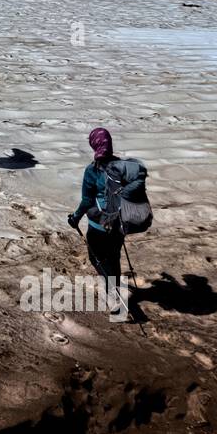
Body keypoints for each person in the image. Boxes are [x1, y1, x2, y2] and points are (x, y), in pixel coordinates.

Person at [68, 127, 137, 319]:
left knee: (96, 259)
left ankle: (115, 298)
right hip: (119, 225)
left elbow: (87, 201)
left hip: (98, 227)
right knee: (113, 258)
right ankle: (115, 295)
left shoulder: (91, 170)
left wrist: (75, 218)